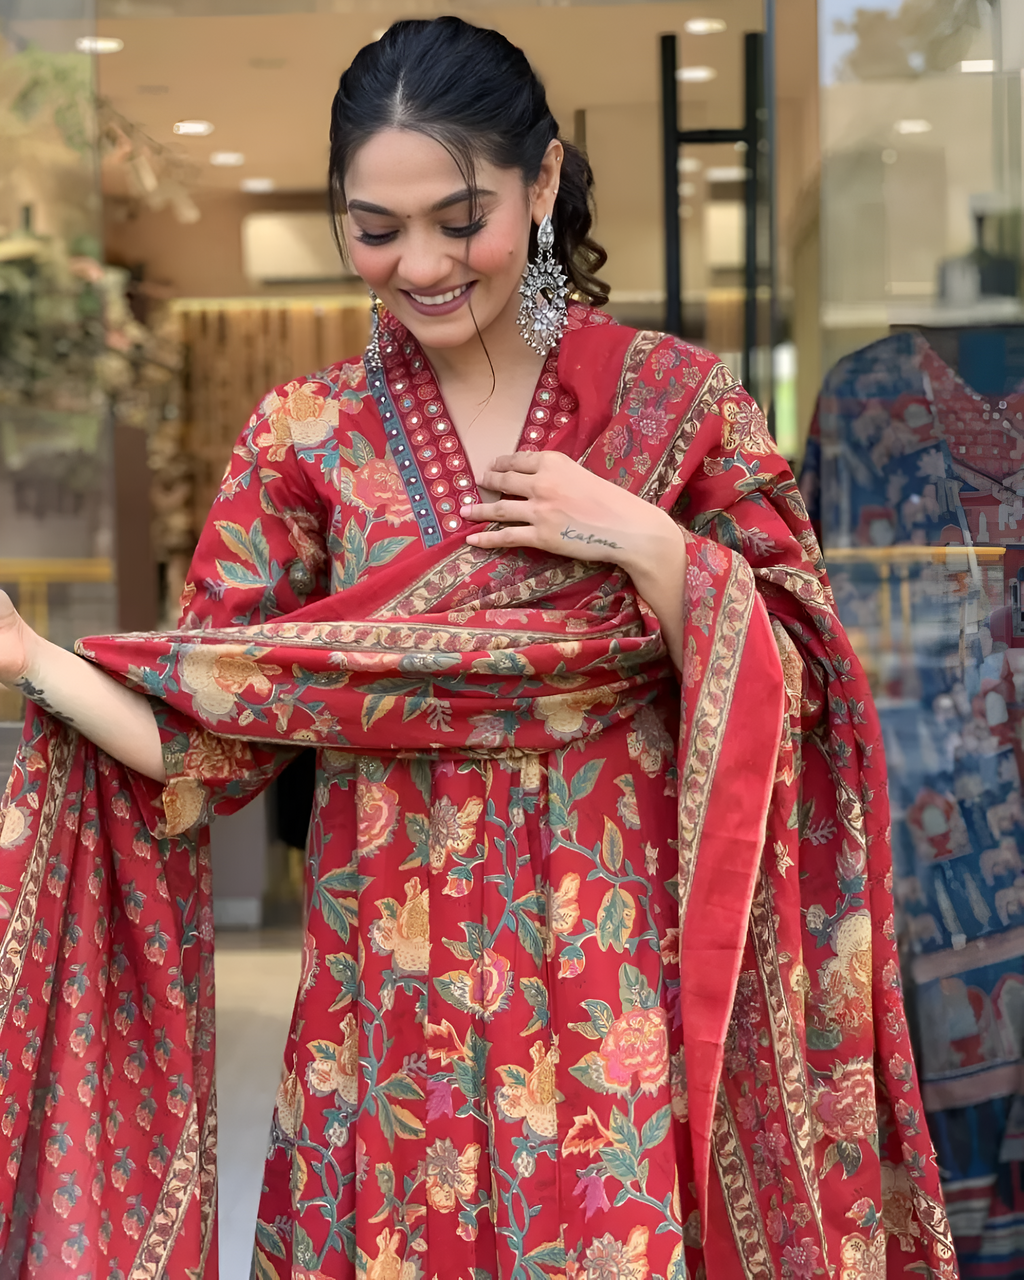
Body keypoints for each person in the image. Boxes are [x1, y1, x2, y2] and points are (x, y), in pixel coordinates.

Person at [0, 17, 955, 1280]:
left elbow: (807, 684)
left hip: (613, 986)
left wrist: (649, 545)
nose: (420, 264)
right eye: (375, 228)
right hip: (388, 1006)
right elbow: (206, 732)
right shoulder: (306, 435)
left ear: (541, 182)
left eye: (461, 220)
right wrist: (28, 655)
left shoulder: (676, 405)